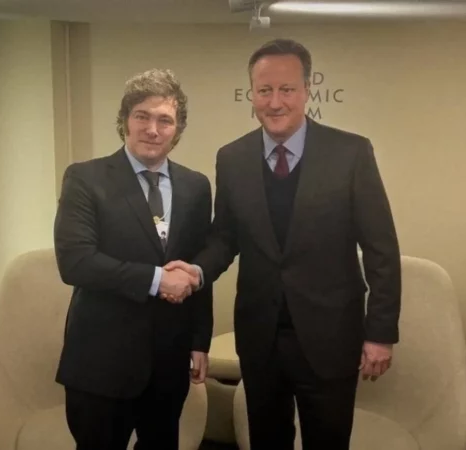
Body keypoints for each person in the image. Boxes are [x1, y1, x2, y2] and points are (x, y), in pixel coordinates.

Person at [165, 38, 402, 449]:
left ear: (307, 90)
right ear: (252, 94)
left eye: (286, 89)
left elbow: (381, 249)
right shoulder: (232, 158)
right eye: (264, 90)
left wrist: (380, 333)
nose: (275, 102)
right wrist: (197, 271)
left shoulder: (350, 153)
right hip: (261, 337)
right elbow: (226, 236)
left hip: (331, 337)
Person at [53, 68, 213, 450]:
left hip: (169, 363)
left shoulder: (195, 187)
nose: (152, 129)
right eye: (142, 116)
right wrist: (157, 280)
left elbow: (196, 266)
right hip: (101, 364)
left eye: (165, 120)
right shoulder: (85, 178)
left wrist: (199, 340)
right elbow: (76, 262)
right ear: (125, 120)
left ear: (178, 129)